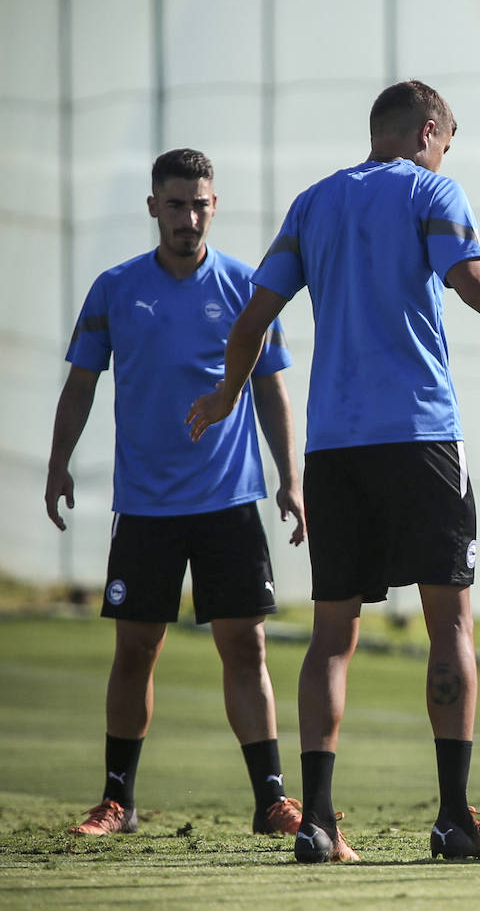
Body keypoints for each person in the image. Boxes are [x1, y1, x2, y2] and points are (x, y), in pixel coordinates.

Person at [186, 79, 480, 864]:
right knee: (451, 625)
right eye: (447, 141)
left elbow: (253, 319)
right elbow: (475, 286)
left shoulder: (313, 203)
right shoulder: (432, 189)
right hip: (421, 440)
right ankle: (452, 819)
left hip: (334, 449)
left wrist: (229, 390)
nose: (445, 154)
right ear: (429, 131)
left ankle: (320, 822)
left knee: (333, 634)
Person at [47, 148, 306, 839]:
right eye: (176, 204)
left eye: (200, 204)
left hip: (228, 501)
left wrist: (290, 478)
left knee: (245, 647)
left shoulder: (248, 288)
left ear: (214, 206)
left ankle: (272, 799)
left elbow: (271, 386)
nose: (188, 217)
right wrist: (57, 463)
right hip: (146, 507)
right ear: (154, 207)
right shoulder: (113, 288)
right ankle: (116, 801)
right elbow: (81, 382)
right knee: (135, 650)